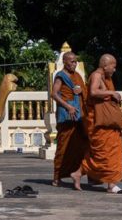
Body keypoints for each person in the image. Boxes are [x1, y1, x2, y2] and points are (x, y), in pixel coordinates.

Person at [70, 54, 122, 193]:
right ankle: (111, 185)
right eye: (113, 66)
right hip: (99, 122)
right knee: (104, 153)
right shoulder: (96, 75)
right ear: (105, 65)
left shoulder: (106, 78)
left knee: (104, 153)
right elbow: (93, 92)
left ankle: (78, 174)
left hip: (107, 122)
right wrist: (111, 93)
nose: (114, 70)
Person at [51, 52, 88, 187]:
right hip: (67, 116)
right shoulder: (60, 76)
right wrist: (68, 107)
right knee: (63, 147)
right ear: (65, 62)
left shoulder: (76, 76)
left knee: (79, 146)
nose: (74, 64)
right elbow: (54, 94)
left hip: (78, 116)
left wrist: (81, 91)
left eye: (75, 62)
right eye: (71, 61)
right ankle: (56, 177)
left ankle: (75, 173)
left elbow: (84, 91)